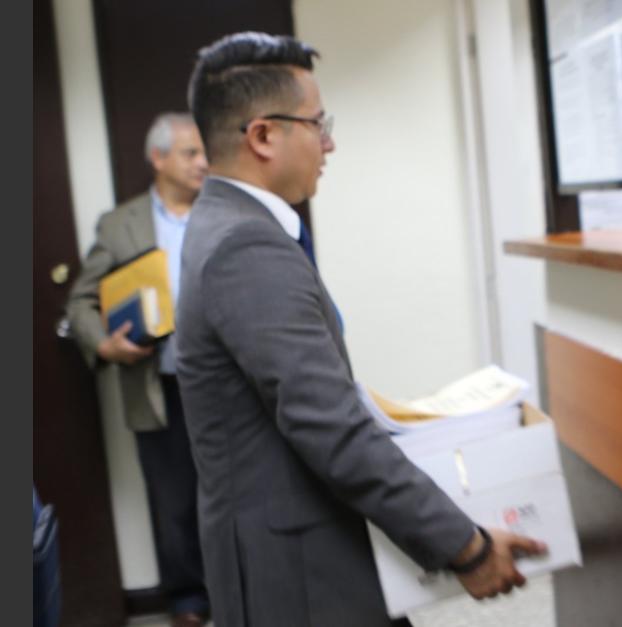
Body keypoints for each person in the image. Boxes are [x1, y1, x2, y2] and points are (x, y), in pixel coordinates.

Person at [175, 31, 546, 626]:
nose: (330, 142)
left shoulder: (222, 222)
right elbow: (328, 427)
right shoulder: (245, 245)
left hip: (281, 547)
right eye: (317, 124)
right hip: (296, 569)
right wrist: (466, 547)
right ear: (263, 135)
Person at [66, 113, 210, 627]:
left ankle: (244, 589)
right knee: (174, 501)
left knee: (237, 492)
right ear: (158, 158)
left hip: (225, 382)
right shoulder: (119, 224)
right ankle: (188, 601)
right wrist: (104, 345)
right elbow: (81, 301)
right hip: (158, 385)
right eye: (191, 153)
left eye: (204, 153)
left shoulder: (224, 210)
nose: (203, 163)